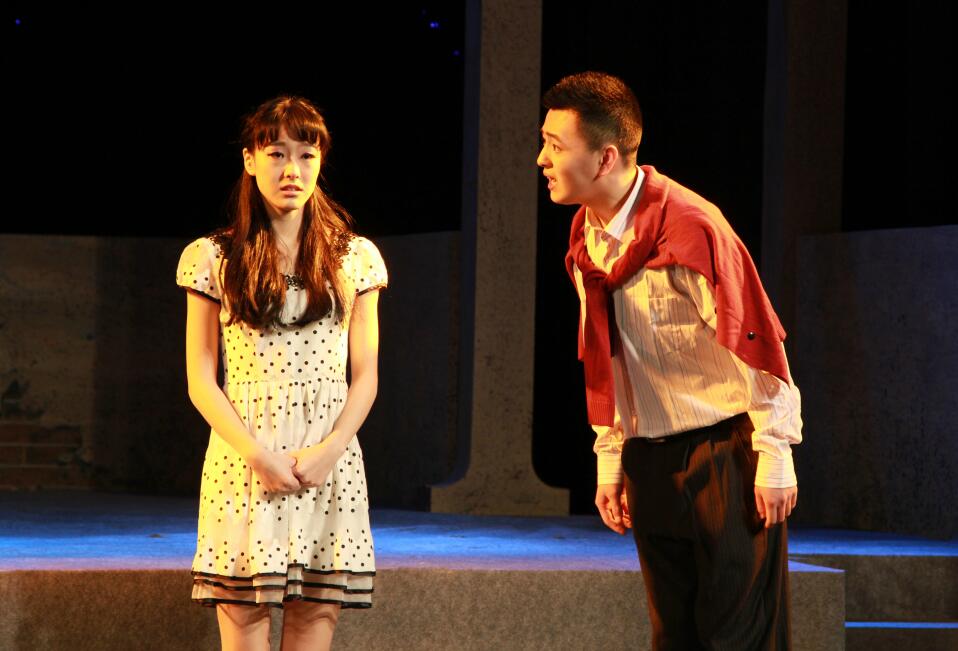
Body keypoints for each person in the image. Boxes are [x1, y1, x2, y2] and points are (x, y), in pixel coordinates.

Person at [538, 71, 802, 650]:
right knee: (673, 636)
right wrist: (611, 456)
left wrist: (775, 452)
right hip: (649, 459)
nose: (543, 159)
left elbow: (756, 340)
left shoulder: (690, 226)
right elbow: (604, 356)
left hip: (723, 454)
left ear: (605, 157)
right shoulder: (586, 238)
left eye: (556, 145)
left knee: (739, 638)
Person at [176, 95, 387, 651]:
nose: (292, 169)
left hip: (328, 458)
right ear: (250, 160)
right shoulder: (212, 255)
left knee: (316, 615)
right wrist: (257, 455)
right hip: (245, 456)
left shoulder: (355, 256)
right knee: (244, 617)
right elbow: (201, 377)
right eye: (276, 154)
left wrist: (329, 450)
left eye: (306, 155)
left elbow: (365, 375)